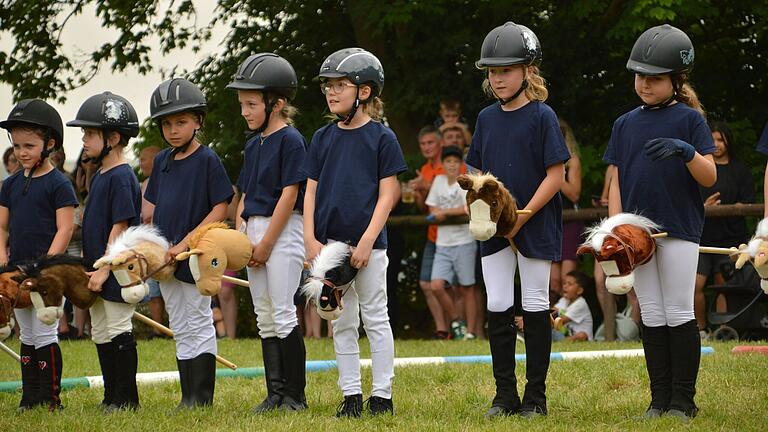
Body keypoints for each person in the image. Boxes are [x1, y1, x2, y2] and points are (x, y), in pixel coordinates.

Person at [605, 24, 716, 422]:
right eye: (640, 77)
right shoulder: (624, 124)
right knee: (650, 313)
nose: (645, 84)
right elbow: (616, 178)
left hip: (680, 228)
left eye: (654, 78)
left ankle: (684, 401)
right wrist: (616, 226)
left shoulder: (689, 120)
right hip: (639, 235)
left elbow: (709, 177)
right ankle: (658, 400)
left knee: (679, 310)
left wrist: (687, 152)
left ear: (676, 79)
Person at [467, 22, 569, 418]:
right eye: (492, 72)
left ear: (528, 70)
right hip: (492, 227)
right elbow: (474, 169)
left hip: (534, 222)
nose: (497, 79)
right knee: (497, 303)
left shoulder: (543, 116)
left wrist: (522, 217)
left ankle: (536, 397)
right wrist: (475, 206)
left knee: (535, 303)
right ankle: (504, 395)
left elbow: (556, 175)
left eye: (505, 70)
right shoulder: (486, 119)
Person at [303, 47, 406, 417]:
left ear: (364, 91)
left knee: (376, 318)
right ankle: (350, 396)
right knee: (340, 322)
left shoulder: (382, 138)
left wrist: (366, 241)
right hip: (328, 246)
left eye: (340, 85)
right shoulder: (321, 138)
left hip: (370, 246)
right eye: (328, 86)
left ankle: (382, 396)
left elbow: (387, 195)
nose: (331, 92)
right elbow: (311, 190)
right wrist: (310, 239)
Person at [144, 78, 234, 408]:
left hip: (196, 254)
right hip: (166, 257)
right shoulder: (162, 163)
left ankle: (203, 397)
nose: (173, 130)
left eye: (181, 122)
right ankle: (187, 396)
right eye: (166, 123)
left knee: (198, 320)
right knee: (179, 322)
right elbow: (152, 210)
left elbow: (221, 208)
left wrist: (184, 243)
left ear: (198, 121)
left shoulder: (207, 160)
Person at [228, 52, 308, 412]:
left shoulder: (291, 140)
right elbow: (243, 195)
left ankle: (295, 394)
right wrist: (240, 236)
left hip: (283, 229)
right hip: (253, 228)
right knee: (263, 315)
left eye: (250, 104)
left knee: (282, 311)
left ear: (275, 103)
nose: (244, 111)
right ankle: (274, 392)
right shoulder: (252, 142)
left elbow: (290, 195)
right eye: (242, 104)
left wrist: (266, 244)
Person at [0, 99, 78, 411]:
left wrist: (45, 265)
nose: (21, 153)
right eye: (17, 146)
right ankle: (29, 396)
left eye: (29, 146)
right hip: (17, 270)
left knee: (45, 331)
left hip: (46, 272)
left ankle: (51, 398)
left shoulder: (59, 184)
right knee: (26, 333)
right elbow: (3, 228)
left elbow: (65, 229)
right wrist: (3, 261)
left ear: (49, 144)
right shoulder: (9, 185)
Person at [67, 92, 143, 412]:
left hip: (115, 271)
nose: (84, 139)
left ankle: (127, 399)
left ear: (112, 138)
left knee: (118, 328)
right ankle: (111, 396)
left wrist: (104, 270)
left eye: (90, 133)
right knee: (100, 331)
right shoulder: (100, 175)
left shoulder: (122, 176)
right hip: (96, 269)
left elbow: (120, 228)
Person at [695, 120, 754, 337]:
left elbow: (749, 201)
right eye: (712, 139)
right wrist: (704, 208)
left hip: (731, 238)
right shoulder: (700, 167)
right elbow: (689, 202)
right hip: (702, 237)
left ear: (729, 141)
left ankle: (722, 331)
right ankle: (700, 330)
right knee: (695, 286)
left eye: (721, 139)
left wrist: (738, 207)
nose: (716, 144)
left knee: (724, 286)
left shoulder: (740, 170)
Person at [425, 145, 477, 340]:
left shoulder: (466, 182)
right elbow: (432, 208)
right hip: (442, 243)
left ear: (461, 164)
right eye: (448, 161)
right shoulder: (438, 181)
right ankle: (457, 321)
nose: (452, 165)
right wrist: (439, 213)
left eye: (456, 161)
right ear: (443, 164)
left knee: (467, 287)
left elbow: (467, 208)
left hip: (464, 240)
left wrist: (444, 213)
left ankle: (471, 332)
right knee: (436, 285)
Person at [550, 119, 582, 302]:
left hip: (569, 222)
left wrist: (556, 172)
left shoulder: (572, 162)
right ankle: (554, 323)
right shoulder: (541, 160)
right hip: (550, 222)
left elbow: (574, 194)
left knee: (567, 278)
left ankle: (572, 321)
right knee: (553, 281)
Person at [138, 145, 166, 337]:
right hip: (146, 241)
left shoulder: (165, 181)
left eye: (143, 159)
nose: (140, 164)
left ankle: (171, 327)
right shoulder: (143, 184)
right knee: (153, 289)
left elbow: (149, 214)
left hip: (161, 240)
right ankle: (157, 328)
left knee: (166, 286)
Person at [552, 271, 594, 341]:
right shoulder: (564, 300)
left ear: (579, 290)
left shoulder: (580, 304)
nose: (565, 286)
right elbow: (553, 311)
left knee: (582, 335)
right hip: (565, 335)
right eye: (564, 283)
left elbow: (561, 321)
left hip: (580, 338)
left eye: (569, 284)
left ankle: (562, 342)